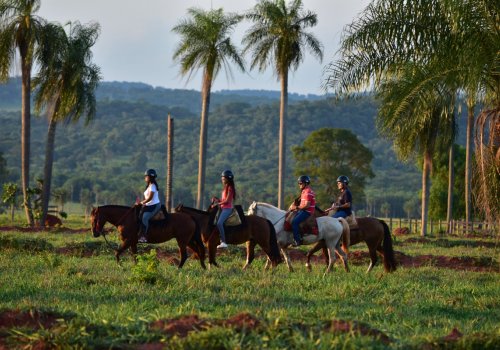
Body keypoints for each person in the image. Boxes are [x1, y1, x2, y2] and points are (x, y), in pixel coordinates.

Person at [288, 175, 316, 246]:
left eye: (300, 183)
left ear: (306, 183)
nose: (299, 185)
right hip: (303, 210)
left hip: (307, 212)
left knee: (295, 222)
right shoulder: (303, 191)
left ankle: (297, 240)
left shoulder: (308, 192)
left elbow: (307, 205)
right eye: (299, 183)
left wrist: (296, 208)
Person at [212, 170, 236, 249]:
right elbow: (223, 201)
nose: (222, 179)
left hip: (227, 209)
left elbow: (227, 201)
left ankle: (224, 242)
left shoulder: (230, 188)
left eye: (223, 178)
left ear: (227, 179)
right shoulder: (225, 188)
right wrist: (217, 200)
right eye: (222, 178)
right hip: (223, 208)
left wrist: (217, 204)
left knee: (219, 223)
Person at [137, 169, 161, 243]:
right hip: (149, 205)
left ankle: (144, 236)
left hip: (154, 205)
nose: (145, 177)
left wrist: (142, 203)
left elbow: (150, 198)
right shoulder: (149, 186)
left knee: (145, 217)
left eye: (146, 176)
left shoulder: (153, 186)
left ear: (149, 177)